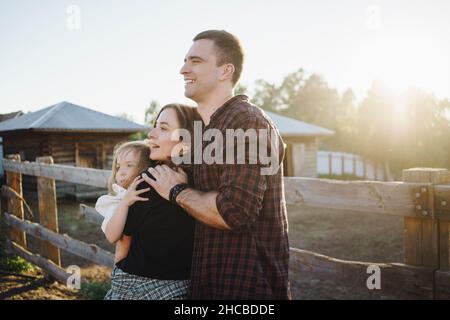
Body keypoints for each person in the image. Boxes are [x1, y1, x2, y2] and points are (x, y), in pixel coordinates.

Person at [142, 30, 291, 299]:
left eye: (195, 61)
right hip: (208, 285)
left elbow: (234, 211)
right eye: (185, 61)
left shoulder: (246, 122)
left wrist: (177, 192)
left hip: (246, 288)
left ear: (225, 71)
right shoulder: (209, 130)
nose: (183, 69)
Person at [101, 103, 200, 300]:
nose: (151, 133)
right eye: (155, 126)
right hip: (181, 285)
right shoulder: (202, 180)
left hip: (138, 284)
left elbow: (121, 242)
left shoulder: (150, 179)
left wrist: (119, 279)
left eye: (163, 128)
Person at [95, 141, 152, 264]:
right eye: (118, 166)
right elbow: (111, 236)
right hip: (126, 267)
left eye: (129, 165)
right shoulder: (120, 199)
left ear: (146, 167)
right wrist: (125, 203)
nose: (121, 172)